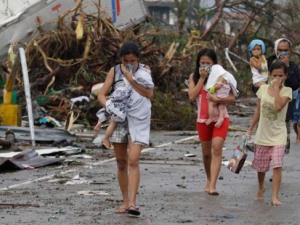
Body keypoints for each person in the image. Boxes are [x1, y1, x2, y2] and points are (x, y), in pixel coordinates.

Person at [98, 40, 154, 216]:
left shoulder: (144, 72)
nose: (129, 64)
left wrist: (131, 80)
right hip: (119, 119)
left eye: (132, 61)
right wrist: (110, 107)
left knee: (134, 159)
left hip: (137, 118)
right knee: (121, 162)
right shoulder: (114, 71)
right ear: (121, 59)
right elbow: (102, 94)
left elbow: (149, 93)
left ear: (137, 59)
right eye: (125, 61)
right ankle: (125, 200)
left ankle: (133, 202)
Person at [188, 48, 236, 195]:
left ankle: (213, 184)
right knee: (206, 153)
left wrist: (218, 99)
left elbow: (233, 98)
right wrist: (202, 79)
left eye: (208, 63)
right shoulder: (194, 77)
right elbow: (191, 96)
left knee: (217, 148)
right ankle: (209, 179)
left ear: (214, 64)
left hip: (221, 119)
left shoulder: (222, 77)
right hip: (203, 120)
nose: (205, 66)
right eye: (202, 63)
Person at [246, 60, 292, 206]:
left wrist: (277, 88)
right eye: (274, 75)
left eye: (280, 76)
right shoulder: (263, 89)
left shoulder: (287, 91)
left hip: (278, 134)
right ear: (270, 75)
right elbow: (258, 111)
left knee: (277, 165)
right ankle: (261, 188)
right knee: (261, 167)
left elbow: (278, 106)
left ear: (285, 76)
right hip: (262, 134)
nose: (277, 79)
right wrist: (250, 129)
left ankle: (275, 197)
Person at [94, 64, 153, 150]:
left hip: (134, 113)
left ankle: (106, 138)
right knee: (113, 123)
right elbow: (101, 96)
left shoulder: (143, 70)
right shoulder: (115, 71)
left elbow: (148, 92)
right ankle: (106, 139)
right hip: (120, 110)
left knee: (133, 151)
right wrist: (114, 109)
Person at [267, 38, 300, 153]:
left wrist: (288, 67)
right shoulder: (268, 63)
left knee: (284, 132)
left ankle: (281, 156)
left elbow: (295, 85)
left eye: (286, 50)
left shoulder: (293, 66)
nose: (283, 53)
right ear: (276, 50)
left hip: (286, 105)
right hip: (269, 105)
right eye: (280, 50)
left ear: (290, 51)